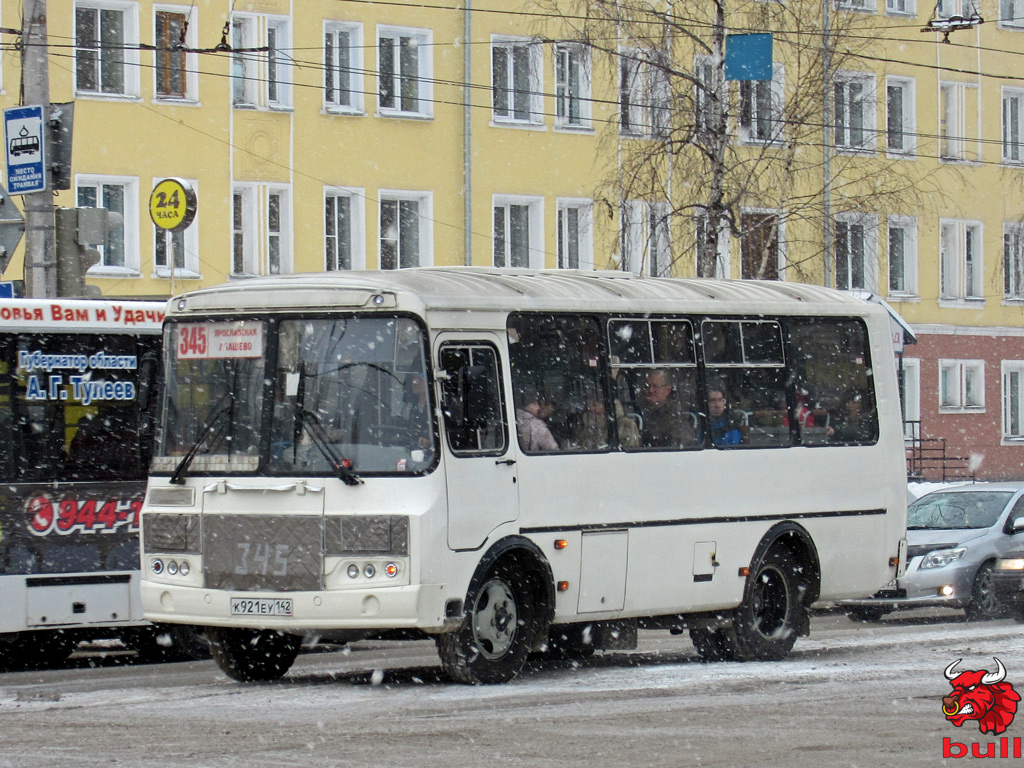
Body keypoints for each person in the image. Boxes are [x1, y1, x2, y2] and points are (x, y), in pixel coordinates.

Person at [639, 370, 695, 448]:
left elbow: (677, 449)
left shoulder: (676, 418)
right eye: (647, 386)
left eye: (655, 386)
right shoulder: (638, 411)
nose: (651, 390)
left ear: (668, 390)